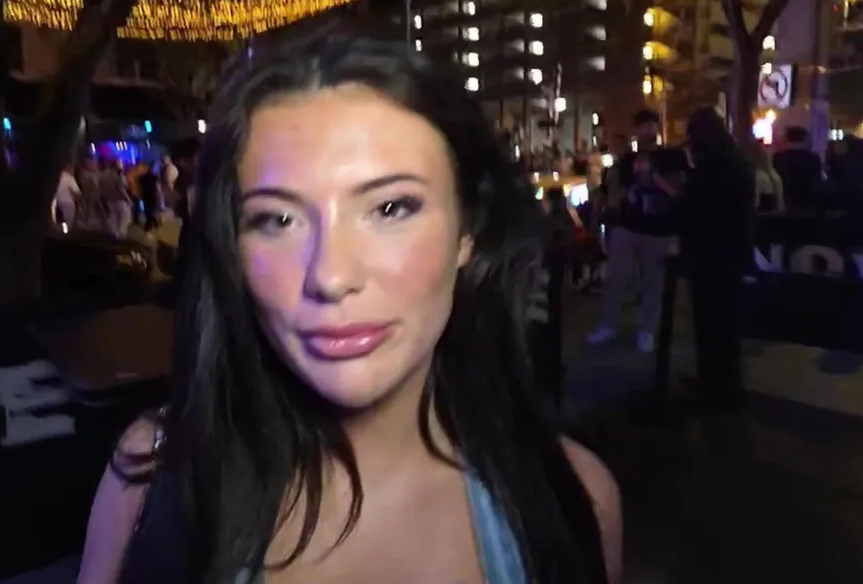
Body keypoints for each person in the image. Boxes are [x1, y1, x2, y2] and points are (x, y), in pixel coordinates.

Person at [77, 33, 621, 584]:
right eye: (278, 220)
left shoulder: (571, 499)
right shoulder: (153, 476)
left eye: (390, 208)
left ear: (468, 230)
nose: (331, 277)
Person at [587, 110, 682, 353]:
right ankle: (608, 324)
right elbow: (613, 190)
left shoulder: (670, 156)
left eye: (650, 126)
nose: (646, 131)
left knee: (652, 281)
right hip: (627, 225)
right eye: (642, 126)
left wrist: (655, 175)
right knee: (616, 278)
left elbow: (677, 191)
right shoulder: (627, 160)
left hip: (658, 228)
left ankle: (647, 330)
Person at [680, 107, 754, 413]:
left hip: (709, 254)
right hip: (730, 253)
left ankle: (715, 390)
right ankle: (724, 387)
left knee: (710, 326)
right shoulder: (738, 163)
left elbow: (695, 209)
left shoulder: (710, 168)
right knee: (725, 327)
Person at [771, 126, 822, 213]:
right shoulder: (813, 158)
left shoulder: (778, 158)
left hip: (785, 203)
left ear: (787, 139)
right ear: (804, 139)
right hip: (808, 204)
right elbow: (817, 181)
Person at [749, 145, 783, 213]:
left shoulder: (758, 176)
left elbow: (755, 202)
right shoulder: (775, 175)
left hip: (761, 215)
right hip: (775, 214)